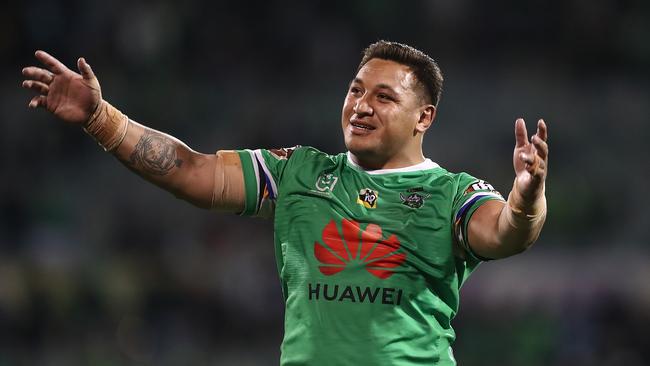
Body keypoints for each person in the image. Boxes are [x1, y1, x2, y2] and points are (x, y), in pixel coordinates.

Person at [21, 41, 548, 365]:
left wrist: (526, 196)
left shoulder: (452, 193)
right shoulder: (299, 171)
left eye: (384, 97)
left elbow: (504, 232)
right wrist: (101, 116)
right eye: (355, 90)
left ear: (424, 118)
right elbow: (189, 170)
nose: (361, 106)